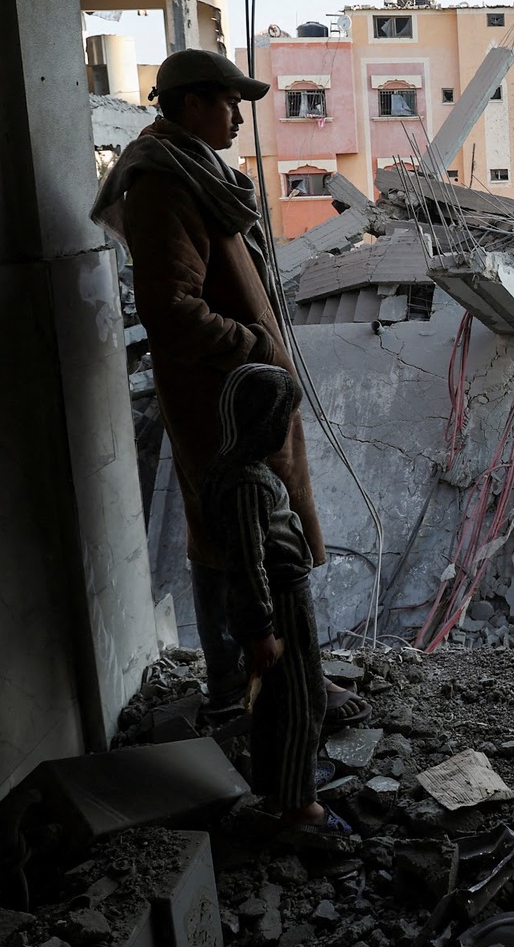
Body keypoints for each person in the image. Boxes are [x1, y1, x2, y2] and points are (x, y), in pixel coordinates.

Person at [88, 49, 368, 729]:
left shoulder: (198, 172)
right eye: (227, 102)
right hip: (224, 403)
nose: (238, 116)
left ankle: (269, 681)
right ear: (189, 104)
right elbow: (172, 307)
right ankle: (266, 690)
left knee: (256, 536)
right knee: (252, 542)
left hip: (244, 393)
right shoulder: (163, 186)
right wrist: (258, 349)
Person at [194, 363, 346, 836]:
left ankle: (283, 781)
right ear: (265, 420)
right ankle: (301, 807)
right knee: (305, 699)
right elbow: (247, 562)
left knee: (278, 700)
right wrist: (261, 631)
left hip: (276, 600)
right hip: (281, 602)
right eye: (282, 417)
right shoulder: (248, 483)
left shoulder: (228, 470)